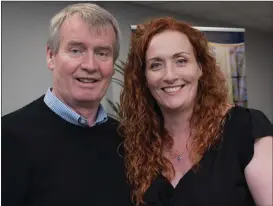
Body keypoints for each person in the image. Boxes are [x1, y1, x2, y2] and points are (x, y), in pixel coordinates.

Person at [119, 17, 273, 206]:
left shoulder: (246, 128)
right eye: (156, 65)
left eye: (181, 61)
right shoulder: (135, 144)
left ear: (200, 68)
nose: (170, 75)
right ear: (144, 77)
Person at [2, 3, 133, 206]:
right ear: (51, 56)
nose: (90, 65)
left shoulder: (127, 141)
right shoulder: (7, 138)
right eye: (76, 50)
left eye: (102, 53)